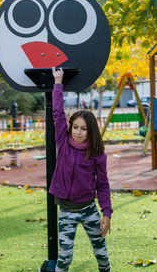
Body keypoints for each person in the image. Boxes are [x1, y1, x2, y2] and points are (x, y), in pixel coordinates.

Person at [49, 67, 113, 272]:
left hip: (89, 210)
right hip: (66, 211)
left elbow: (102, 184)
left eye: (83, 129)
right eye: (75, 127)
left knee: (101, 253)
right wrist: (58, 82)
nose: (78, 132)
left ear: (91, 131)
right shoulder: (63, 141)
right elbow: (58, 113)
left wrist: (107, 212)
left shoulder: (97, 154)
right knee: (64, 258)